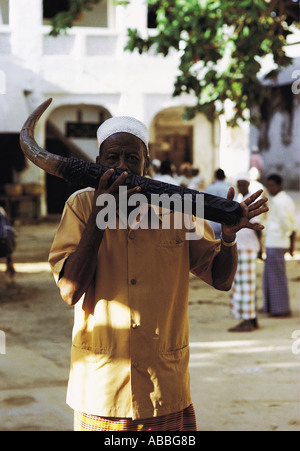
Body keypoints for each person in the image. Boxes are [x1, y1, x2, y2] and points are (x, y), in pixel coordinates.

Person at [48, 116, 268, 431]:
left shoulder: (180, 209)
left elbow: (221, 280)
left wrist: (229, 238)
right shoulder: (81, 207)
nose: (122, 166)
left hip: (164, 385)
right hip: (101, 389)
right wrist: (101, 212)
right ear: (97, 164)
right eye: (112, 158)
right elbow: (71, 291)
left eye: (132, 158)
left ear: (147, 165)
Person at [228, 174, 263, 332]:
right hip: (241, 246)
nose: (241, 186)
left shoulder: (250, 201)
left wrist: (261, 248)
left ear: (248, 184)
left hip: (247, 247)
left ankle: (247, 320)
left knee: (245, 285)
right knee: (242, 284)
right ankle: (252, 318)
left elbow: (258, 229)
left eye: (243, 184)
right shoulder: (240, 200)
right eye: (239, 184)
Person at [262, 174, 296, 317]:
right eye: (268, 185)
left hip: (276, 241)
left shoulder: (280, 201)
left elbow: (286, 223)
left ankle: (280, 309)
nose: (270, 188)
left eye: (272, 185)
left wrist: (283, 233)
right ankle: (272, 307)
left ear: (279, 185)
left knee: (276, 277)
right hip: (275, 241)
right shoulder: (283, 199)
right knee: (270, 277)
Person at [205, 169, 232, 240]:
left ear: (215, 176)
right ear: (224, 176)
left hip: (212, 222)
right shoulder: (231, 188)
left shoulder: (210, 188)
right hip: (227, 222)